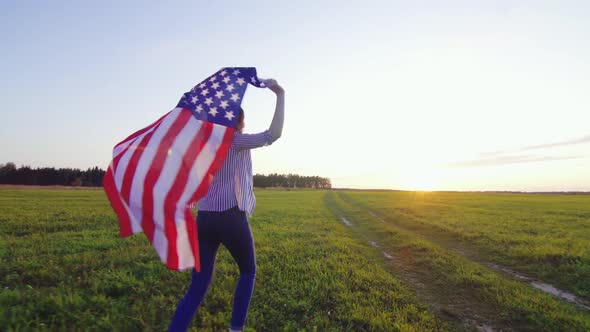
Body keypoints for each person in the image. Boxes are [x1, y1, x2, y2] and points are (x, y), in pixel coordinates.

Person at [169, 79, 285, 332]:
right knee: (248, 271)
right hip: (230, 217)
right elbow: (273, 135)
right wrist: (280, 93)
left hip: (205, 219)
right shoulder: (235, 139)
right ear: (239, 122)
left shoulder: (204, 145)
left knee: (198, 286)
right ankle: (236, 329)